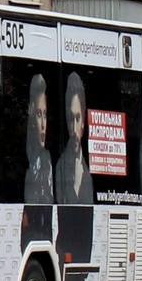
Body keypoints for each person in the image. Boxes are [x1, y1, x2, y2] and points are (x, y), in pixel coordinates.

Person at [55, 72, 94, 204]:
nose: (75, 128)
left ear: (83, 120)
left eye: (78, 118)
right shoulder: (60, 166)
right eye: (71, 119)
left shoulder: (89, 169)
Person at [23, 74, 54, 204]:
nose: (43, 125)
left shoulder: (46, 161)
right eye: (39, 114)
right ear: (30, 112)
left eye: (45, 115)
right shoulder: (24, 159)